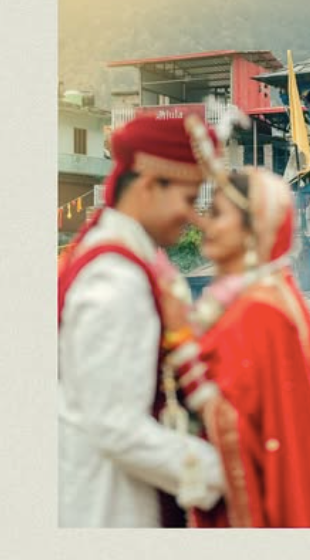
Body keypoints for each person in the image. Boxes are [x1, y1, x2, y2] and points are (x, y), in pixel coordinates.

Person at [161, 163, 310, 527]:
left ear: (254, 230)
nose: (203, 223)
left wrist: (183, 349)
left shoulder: (259, 311)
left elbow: (237, 426)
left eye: (218, 214)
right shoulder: (256, 296)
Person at [58, 112, 225, 528]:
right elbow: (116, 426)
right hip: (109, 509)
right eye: (189, 200)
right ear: (150, 185)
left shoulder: (114, 257)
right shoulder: (117, 280)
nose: (194, 217)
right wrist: (225, 472)